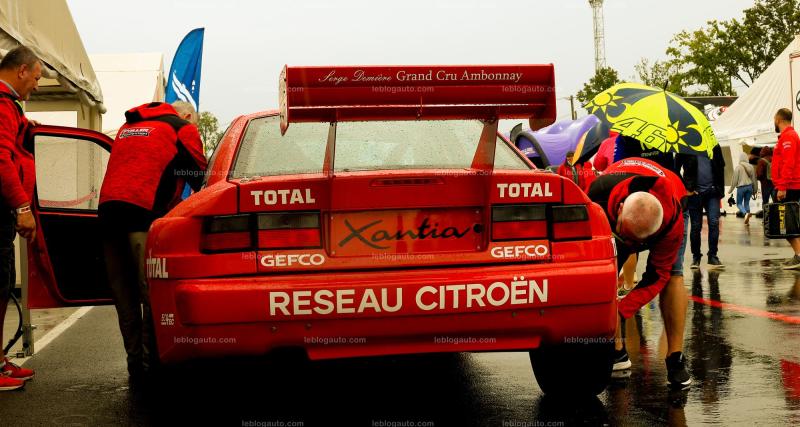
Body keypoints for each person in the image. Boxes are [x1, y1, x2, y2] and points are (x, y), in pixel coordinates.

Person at [99, 101, 207, 378]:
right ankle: (152, 368)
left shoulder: (128, 126)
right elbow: (202, 181)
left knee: (124, 296)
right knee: (152, 295)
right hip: (142, 216)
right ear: (186, 116)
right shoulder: (181, 129)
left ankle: (134, 364)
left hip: (108, 216)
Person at [587, 157, 691, 388]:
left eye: (638, 242)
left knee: (674, 274)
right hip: (613, 195)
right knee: (607, 270)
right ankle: (616, 351)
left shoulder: (672, 223)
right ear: (620, 209)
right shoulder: (597, 196)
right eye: (628, 238)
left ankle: (675, 358)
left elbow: (658, 275)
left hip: (675, 194)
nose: (632, 245)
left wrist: (623, 310)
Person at [0, 46, 40, 391]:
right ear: (22, 70)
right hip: (2, 210)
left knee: (2, 285)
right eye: (37, 77)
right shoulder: (1, 103)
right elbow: (0, 159)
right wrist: (23, 208)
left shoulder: (9, 107)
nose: (37, 85)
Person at [676, 145, 726, 269]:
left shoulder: (713, 145)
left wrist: (719, 189)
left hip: (712, 192)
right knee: (696, 226)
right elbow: (675, 167)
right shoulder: (685, 145)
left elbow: (721, 166)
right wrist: (686, 187)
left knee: (714, 222)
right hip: (694, 193)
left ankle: (713, 256)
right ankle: (696, 257)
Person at [771, 108, 800, 269]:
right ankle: (798, 254)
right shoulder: (787, 137)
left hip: (789, 186)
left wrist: (782, 187)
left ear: (778, 119)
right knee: (789, 223)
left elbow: (789, 163)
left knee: (787, 224)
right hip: (788, 185)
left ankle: (799, 255)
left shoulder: (788, 137)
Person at [728, 152, 758, 224]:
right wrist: (755, 189)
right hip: (749, 187)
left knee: (739, 204)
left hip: (741, 188)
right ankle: (747, 221)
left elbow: (734, 180)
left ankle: (745, 213)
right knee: (747, 203)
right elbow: (754, 179)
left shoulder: (738, 167)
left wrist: (730, 190)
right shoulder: (751, 167)